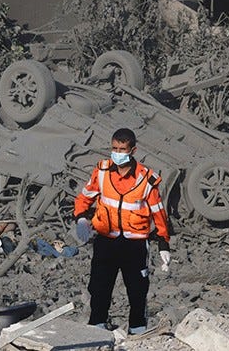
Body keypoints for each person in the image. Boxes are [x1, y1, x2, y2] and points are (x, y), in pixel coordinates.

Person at [72, 128, 171, 335]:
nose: (117, 153)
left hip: (134, 244)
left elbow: (158, 213)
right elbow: (85, 197)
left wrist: (163, 243)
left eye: (122, 149)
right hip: (106, 240)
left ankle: (137, 331)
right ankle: (97, 328)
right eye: (114, 148)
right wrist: (81, 218)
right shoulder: (102, 171)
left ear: (132, 150)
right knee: (99, 287)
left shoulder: (146, 179)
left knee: (137, 290)